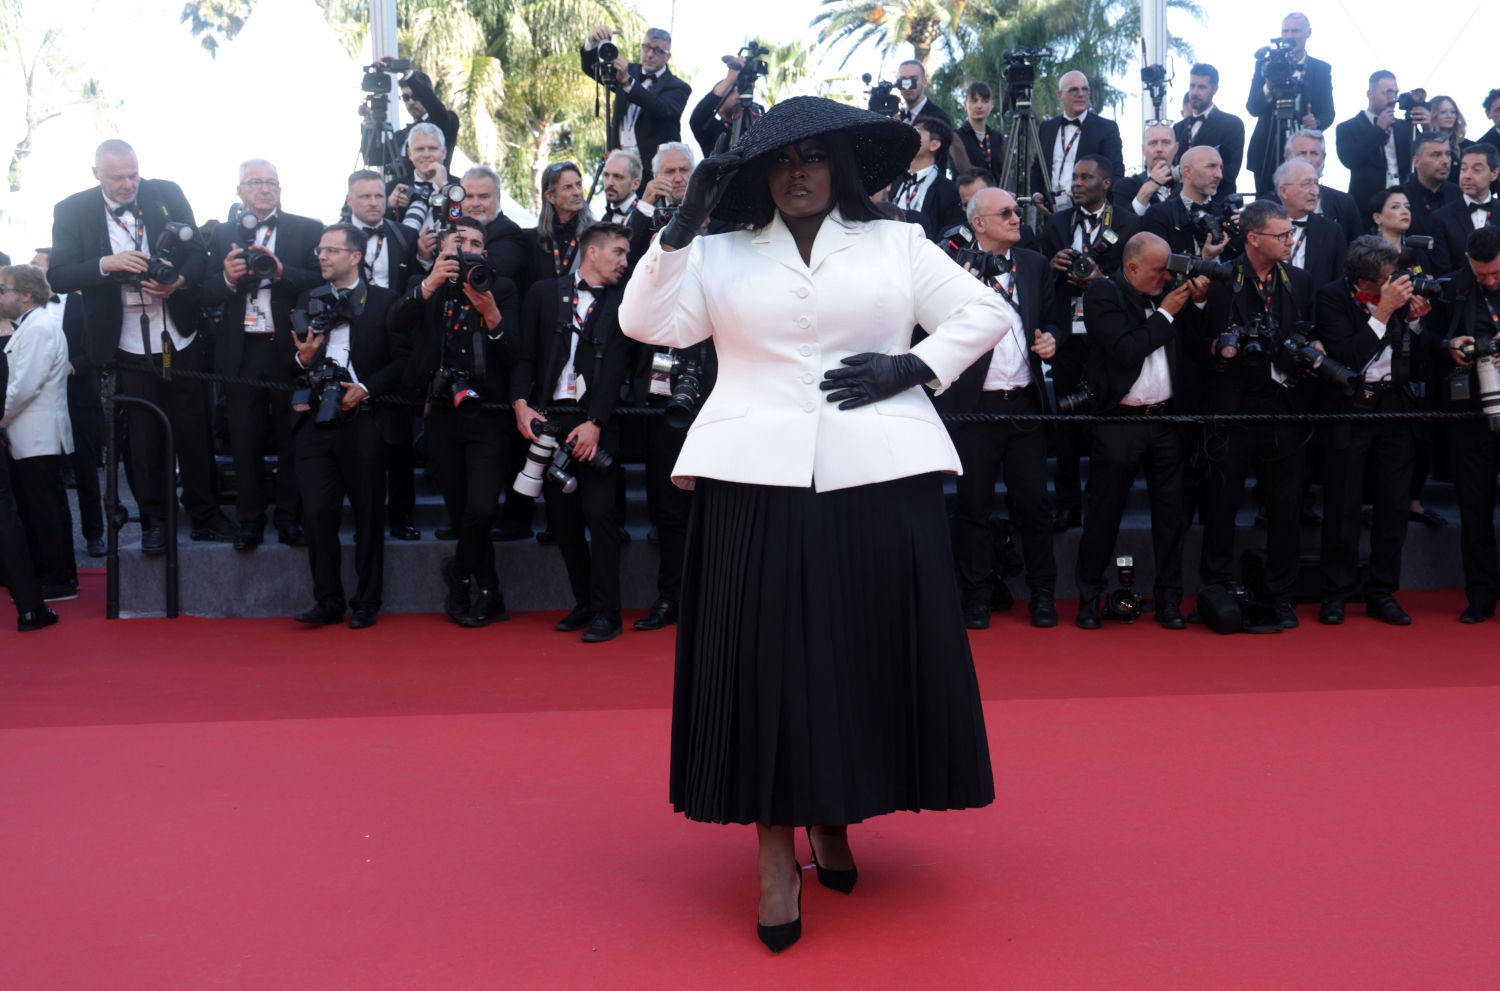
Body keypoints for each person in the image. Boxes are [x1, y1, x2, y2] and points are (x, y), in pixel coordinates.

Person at [617, 96, 1008, 952]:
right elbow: (645, 322)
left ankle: (833, 812)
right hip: (751, 478)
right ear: (761, 172)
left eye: (815, 158)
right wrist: (682, 220)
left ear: (841, 166)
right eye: (783, 160)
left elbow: (987, 316)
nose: (799, 172)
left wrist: (913, 363)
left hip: (882, 474)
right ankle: (773, 850)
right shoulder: (715, 253)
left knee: (859, 654)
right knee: (764, 664)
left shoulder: (897, 242)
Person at [48, 138, 235, 553]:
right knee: (144, 438)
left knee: (194, 430)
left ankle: (205, 514)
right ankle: (155, 520)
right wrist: (106, 265)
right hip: (124, 341)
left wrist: (179, 281)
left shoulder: (165, 192)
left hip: (178, 332)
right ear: (96, 173)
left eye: (133, 174)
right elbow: (58, 275)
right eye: (117, 177)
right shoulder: (71, 209)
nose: (128, 184)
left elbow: (197, 253)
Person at [937, 187, 1060, 627]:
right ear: (978, 224)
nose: (1016, 218)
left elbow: (1052, 319)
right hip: (974, 407)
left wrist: (1052, 340)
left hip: (1026, 402)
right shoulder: (951, 268)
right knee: (973, 506)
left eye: (1017, 210)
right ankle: (976, 596)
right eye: (1005, 212)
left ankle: (1043, 594)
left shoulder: (1034, 264)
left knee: (1035, 505)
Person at [1073, 233, 1205, 630]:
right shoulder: (1103, 296)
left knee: (1171, 517)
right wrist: (1165, 314)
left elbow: (1197, 346)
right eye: (1158, 270)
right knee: (1103, 514)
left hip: (1167, 421)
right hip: (1119, 421)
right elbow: (1126, 349)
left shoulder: (1171, 296)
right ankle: (1089, 599)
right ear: (1132, 268)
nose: (1167, 276)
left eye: (1170, 268)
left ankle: (1169, 603)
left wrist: (1195, 303)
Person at [511, 223, 635, 643]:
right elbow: (525, 356)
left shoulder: (624, 303)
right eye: (618, 252)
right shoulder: (544, 293)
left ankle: (608, 613)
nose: (625, 261)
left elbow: (618, 368)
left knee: (600, 517)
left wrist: (596, 423)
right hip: (550, 420)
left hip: (597, 422)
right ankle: (584, 602)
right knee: (561, 522)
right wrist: (520, 404)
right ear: (592, 252)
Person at [393, 217, 519, 627]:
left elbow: (518, 355)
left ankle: (460, 572)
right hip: (441, 411)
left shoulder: (499, 286)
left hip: (488, 413)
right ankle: (489, 592)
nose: (468, 248)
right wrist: (428, 285)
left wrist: (493, 315)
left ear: (485, 251)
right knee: (460, 508)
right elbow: (394, 324)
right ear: (443, 248)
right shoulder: (425, 283)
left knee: (482, 509)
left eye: (476, 242)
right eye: (459, 241)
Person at [1195, 201, 1314, 629]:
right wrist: (1217, 348)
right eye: (1281, 235)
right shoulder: (1221, 279)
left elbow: (1310, 335)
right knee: (1221, 503)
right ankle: (1218, 587)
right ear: (1253, 238)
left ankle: (1281, 594)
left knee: (1285, 506)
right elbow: (1195, 343)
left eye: (1290, 233)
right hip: (1231, 407)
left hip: (1283, 408)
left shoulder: (1300, 281)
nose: (1290, 240)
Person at [288, 225, 408, 629]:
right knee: (318, 512)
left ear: (355, 257)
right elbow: (290, 362)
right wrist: (304, 360)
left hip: (366, 420)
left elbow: (403, 361)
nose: (322, 257)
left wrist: (367, 388)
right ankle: (327, 601)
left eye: (332, 251)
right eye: (320, 250)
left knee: (370, 513)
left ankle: (367, 601)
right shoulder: (307, 299)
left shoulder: (386, 301)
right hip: (314, 419)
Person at [202, 159, 324, 550]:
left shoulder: (307, 229)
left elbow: (322, 280)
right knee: (244, 440)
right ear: (239, 190)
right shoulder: (221, 234)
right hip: (242, 350)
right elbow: (203, 293)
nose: (265, 189)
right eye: (255, 183)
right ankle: (250, 521)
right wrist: (227, 278)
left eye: (272, 182)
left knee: (293, 438)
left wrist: (282, 271)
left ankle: (290, 519)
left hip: (290, 348)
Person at [1314, 236, 1433, 626]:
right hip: (1349, 409)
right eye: (1388, 278)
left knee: (1394, 505)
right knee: (1343, 505)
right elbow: (1345, 358)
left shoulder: (1398, 294)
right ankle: (1336, 592)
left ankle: (1382, 591)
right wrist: (1383, 311)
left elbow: (1422, 354)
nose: (1398, 282)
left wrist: (1414, 321)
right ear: (1365, 282)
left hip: (1395, 406)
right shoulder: (1331, 297)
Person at [1038, 154, 1139, 531]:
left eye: (1085, 177)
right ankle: (1067, 502)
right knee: (1066, 423)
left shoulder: (1129, 223)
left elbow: (1135, 278)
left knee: (1105, 423)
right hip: (1066, 337)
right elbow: (1040, 276)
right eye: (1073, 177)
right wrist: (1052, 267)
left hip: (1108, 338)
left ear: (1106, 183)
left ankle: (1102, 498)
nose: (1076, 183)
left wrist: (1101, 280)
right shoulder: (1056, 223)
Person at [0, 264, 76, 602]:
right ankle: (55, 575)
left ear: (26, 295)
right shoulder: (32, 325)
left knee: (45, 509)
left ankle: (57, 580)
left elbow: (23, 388)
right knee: (43, 507)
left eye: (5, 290)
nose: (1, 296)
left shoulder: (39, 328)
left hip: (38, 435)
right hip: (32, 435)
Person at [1436, 225, 1500, 622]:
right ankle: (1480, 593)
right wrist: (1450, 345)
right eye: (1482, 275)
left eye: (1497, 274)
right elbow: (1425, 337)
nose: (1490, 281)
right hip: (1469, 414)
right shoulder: (1453, 287)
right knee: (1473, 507)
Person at [580, 26, 692, 188]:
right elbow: (593, 69)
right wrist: (592, 42)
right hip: (621, 166)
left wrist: (628, 82)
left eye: (658, 50)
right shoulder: (629, 70)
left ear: (667, 56)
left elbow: (661, 109)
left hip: (654, 171)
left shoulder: (678, 87)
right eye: (646, 47)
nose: (650, 54)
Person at [1246, 12, 1335, 195]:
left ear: (1308, 33)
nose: (1289, 36)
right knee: (1265, 208)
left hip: (1303, 149)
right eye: (1285, 31)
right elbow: (1253, 107)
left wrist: (1316, 122)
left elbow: (1328, 111)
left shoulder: (1321, 69)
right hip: (1267, 150)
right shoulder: (1266, 64)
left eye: (1295, 31)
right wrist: (1269, 85)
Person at [1336, 72, 1429, 223]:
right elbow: (1349, 160)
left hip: (1405, 201)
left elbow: (1422, 157)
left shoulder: (1405, 127)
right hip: (1367, 206)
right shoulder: (1348, 127)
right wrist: (1378, 131)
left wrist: (1428, 129)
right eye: (1386, 93)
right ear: (1370, 94)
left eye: (1395, 93)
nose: (1392, 98)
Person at [1033, 71, 1125, 209]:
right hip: (1051, 210)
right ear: (1060, 95)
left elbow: (1115, 172)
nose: (1081, 94)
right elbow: (1037, 167)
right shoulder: (1047, 128)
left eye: (1085, 89)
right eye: (1073, 90)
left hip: (1090, 210)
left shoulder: (1106, 128)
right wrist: (1036, 194)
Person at [1142, 145, 1234, 260]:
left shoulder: (1223, 213)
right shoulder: (1159, 215)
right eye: (1211, 166)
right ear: (1188, 171)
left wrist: (1244, 232)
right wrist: (1203, 259)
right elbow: (1157, 266)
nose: (1219, 175)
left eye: (1221, 168)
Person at [1174, 63, 1245, 200]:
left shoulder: (1232, 124)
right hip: (1180, 207)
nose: (1195, 92)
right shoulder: (1178, 128)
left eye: (1201, 87)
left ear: (1215, 89)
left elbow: (1230, 172)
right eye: (1192, 86)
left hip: (1217, 205)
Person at [1274, 158, 1347, 288]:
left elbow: (1339, 282)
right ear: (1283, 191)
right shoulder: (1262, 226)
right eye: (1306, 184)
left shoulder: (1331, 231)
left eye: (1316, 183)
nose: (1315, 191)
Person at [1429, 143, 1500, 275]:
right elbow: (1442, 272)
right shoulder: (1441, 218)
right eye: (1463, 169)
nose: (1467, 176)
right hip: (1460, 294)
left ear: (1494, 174)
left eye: (1476, 170)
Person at [1283, 129, 1364, 243]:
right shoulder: (1269, 203)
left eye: (1314, 153)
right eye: (1302, 153)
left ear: (1323, 158)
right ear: (1287, 159)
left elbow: (1357, 251)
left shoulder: (1345, 203)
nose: (1308, 160)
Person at [887, 118, 963, 237]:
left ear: (934, 144)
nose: (909, 134)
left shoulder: (948, 190)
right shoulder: (894, 179)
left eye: (916, 131)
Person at [389, 63, 460, 171]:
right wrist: (369, 122)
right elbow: (373, 157)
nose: (411, 102)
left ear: (425, 94)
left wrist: (408, 74)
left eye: (416, 96)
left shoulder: (445, 121)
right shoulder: (402, 134)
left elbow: (437, 110)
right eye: (406, 97)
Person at [1401, 131, 1462, 239]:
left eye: (1448, 154)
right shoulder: (1401, 196)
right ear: (1416, 162)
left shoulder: (1459, 195)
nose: (1445, 161)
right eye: (1436, 155)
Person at [1114, 122, 1182, 217]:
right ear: (1143, 149)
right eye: (1153, 143)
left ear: (1176, 148)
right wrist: (1147, 189)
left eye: (1166, 142)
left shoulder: (1187, 186)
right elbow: (1121, 228)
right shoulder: (1125, 187)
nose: (1159, 149)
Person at [953, 81, 1002, 176]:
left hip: (998, 190)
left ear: (992, 105)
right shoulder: (956, 137)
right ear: (965, 105)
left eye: (985, 101)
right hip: (968, 190)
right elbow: (966, 174)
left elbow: (1007, 176)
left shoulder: (998, 138)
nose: (979, 106)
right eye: (974, 101)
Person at [598, 150, 643, 225]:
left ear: (635, 184)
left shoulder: (648, 218)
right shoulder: (604, 219)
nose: (609, 183)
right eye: (606, 175)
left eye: (617, 177)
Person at [1427, 94, 1471, 167]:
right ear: (1433, 114)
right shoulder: (1424, 144)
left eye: (1453, 112)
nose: (1449, 116)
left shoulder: (1468, 146)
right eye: (1443, 112)